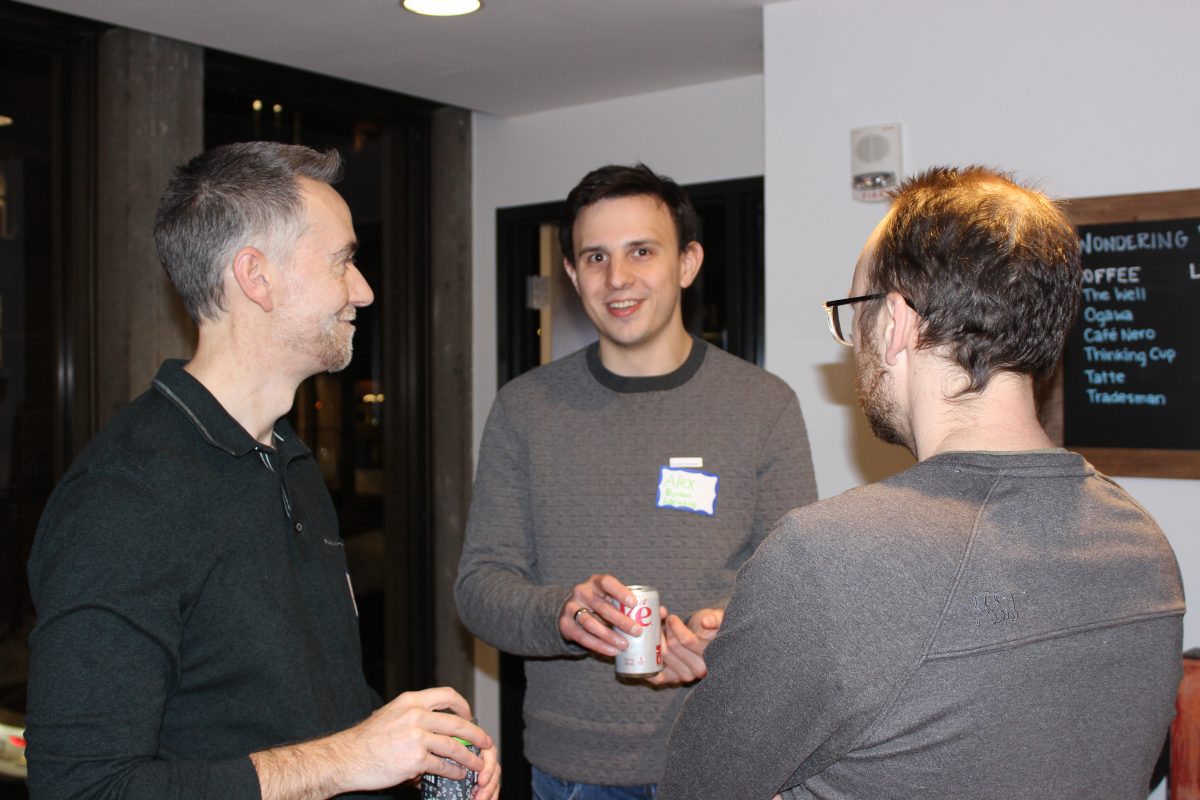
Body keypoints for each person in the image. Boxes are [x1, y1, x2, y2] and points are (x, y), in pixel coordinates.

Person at [658, 166, 1186, 800]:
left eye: (856, 312)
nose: (854, 344)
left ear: (897, 324)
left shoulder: (828, 557)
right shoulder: (1142, 543)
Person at [25, 142, 499, 800]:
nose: (363, 290)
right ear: (257, 276)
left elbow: (304, 709)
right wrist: (350, 758)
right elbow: (81, 787)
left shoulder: (288, 460)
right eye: (343, 261)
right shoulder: (122, 498)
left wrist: (412, 748)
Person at [454, 163, 818, 797]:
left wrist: (726, 638)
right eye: (595, 257)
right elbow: (479, 587)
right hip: (576, 772)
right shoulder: (525, 409)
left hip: (725, 760)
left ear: (687, 262)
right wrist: (564, 615)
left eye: (641, 251)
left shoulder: (763, 405)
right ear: (572, 275)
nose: (617, 278)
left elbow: (796, 594)